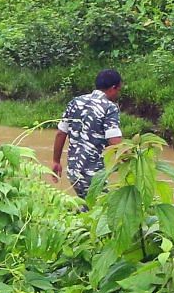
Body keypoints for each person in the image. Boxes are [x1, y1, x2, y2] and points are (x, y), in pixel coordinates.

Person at [52, 68, 126, 198]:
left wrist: (56, 161)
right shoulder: (110, 108)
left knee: (87, 207)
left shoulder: (75, 102)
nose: (118, 94)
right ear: (113, 88)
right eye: (119, 90)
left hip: (73, 172)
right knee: (102, 210)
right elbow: (114, 142)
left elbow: (60, 133)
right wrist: (130, 158)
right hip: (94, 177)